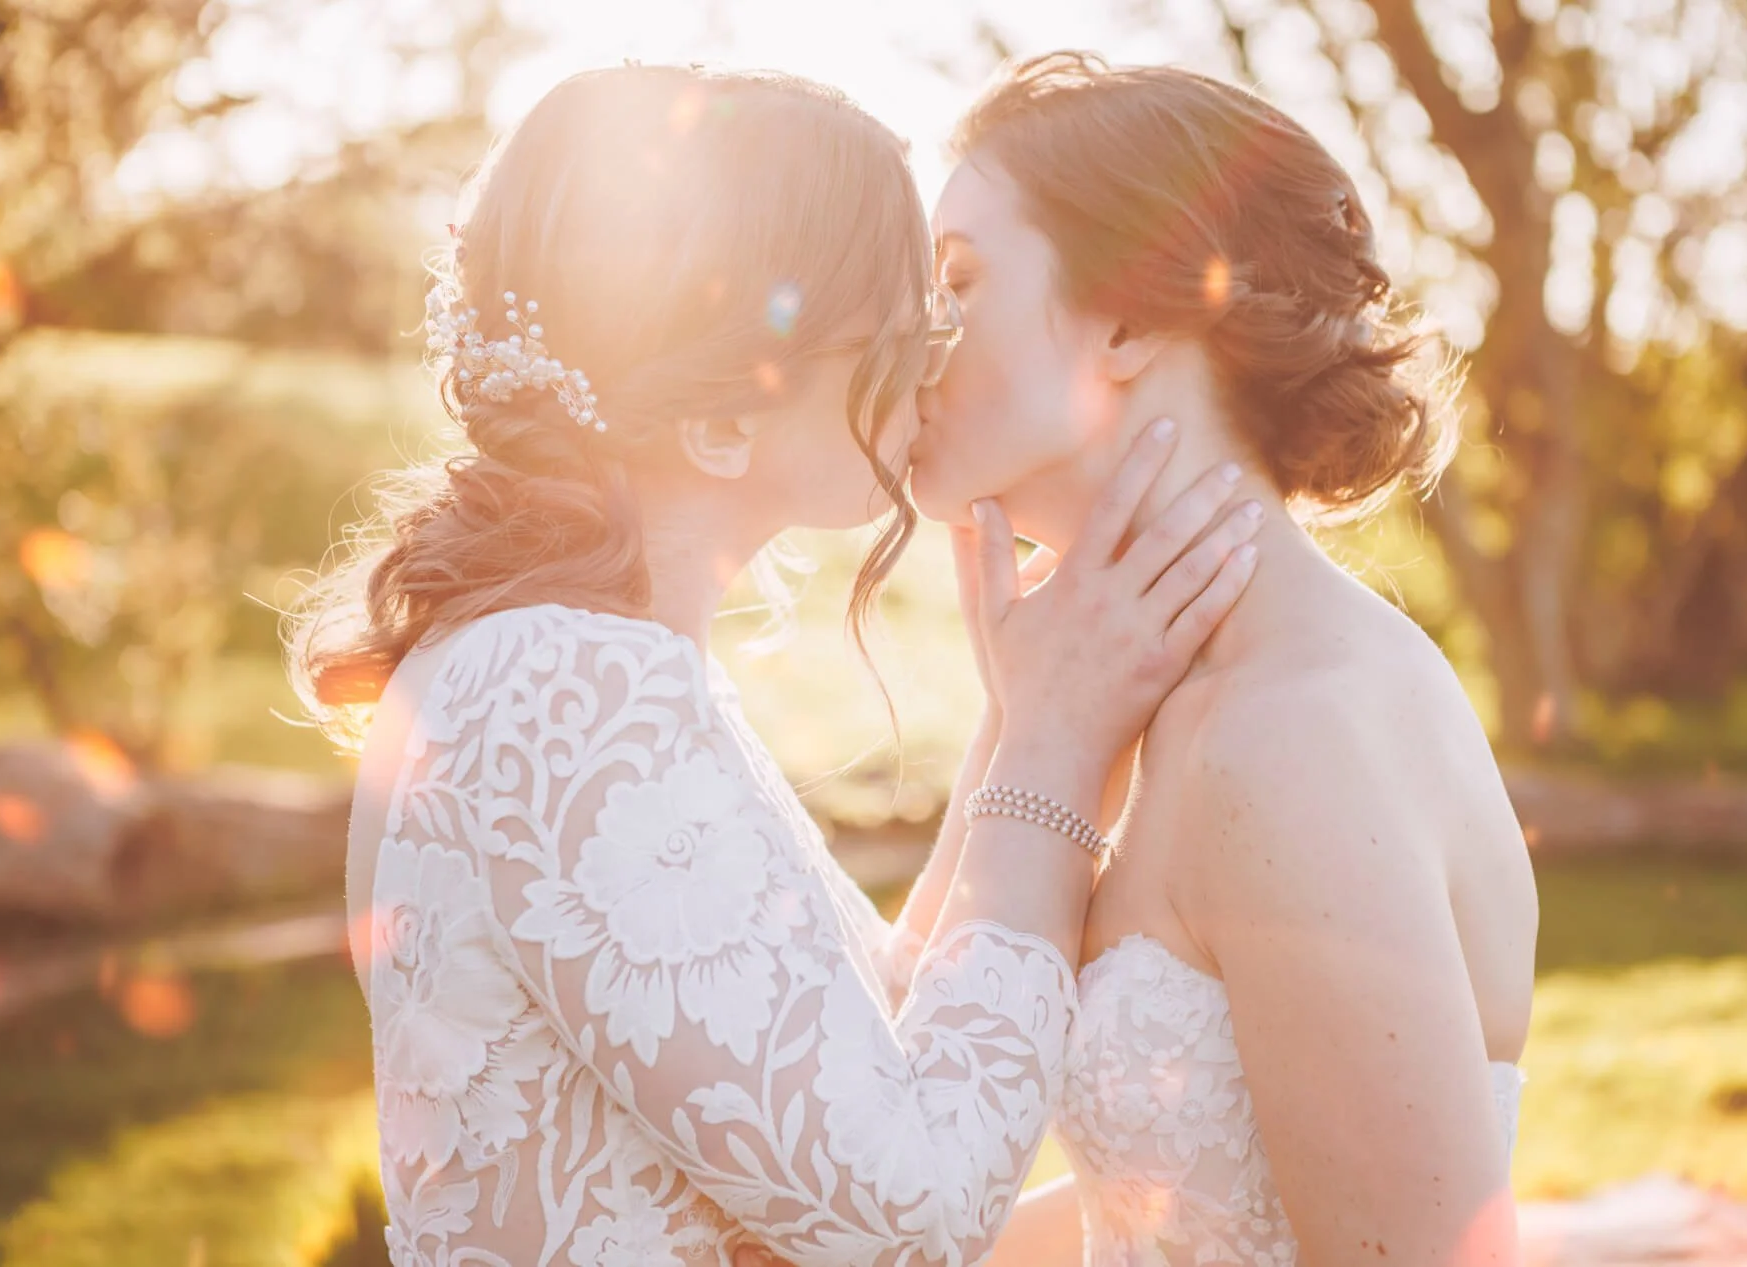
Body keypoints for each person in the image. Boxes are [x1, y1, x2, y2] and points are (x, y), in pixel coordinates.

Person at [286, 64, 1263, 1267]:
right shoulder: (565, 692)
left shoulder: (570, 664)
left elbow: (860, 1041)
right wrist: (1056, 752)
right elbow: (907, 1211)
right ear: (718, 417)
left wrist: (1020, 725)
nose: (932, 358)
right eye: (902, 317)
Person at [904, 52, 1539, 1266]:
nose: (917, 338)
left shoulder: (1289, 733)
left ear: (1132, 317)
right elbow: (1145, 1204)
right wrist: (1021, 729)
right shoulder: (1132, 694)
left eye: (960, 282)